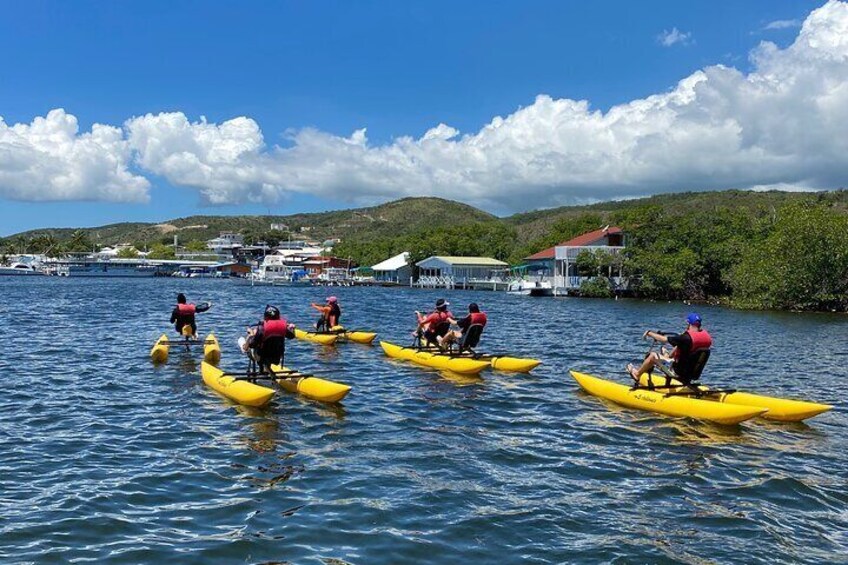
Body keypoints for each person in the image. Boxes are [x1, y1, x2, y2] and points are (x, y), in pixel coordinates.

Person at [628, 313, 713, 385]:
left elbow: (663, 339)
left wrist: (649, 333)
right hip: (692, 372)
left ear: (688, 323)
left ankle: (637, 374)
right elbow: (685, 347)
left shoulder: (685, 338)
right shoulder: (706, 338)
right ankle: (666, 356)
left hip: (679, 371)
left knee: (652, 355)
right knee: (664, 350)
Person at [241, 305, 296, 373]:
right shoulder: (283, 327)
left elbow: (252, 345)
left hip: (262, 357)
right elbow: (291, 336)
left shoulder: (262, 328)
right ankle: (265, 367)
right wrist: (292, 328)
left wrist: (251, 335)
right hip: (276, 358)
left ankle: (260, 367)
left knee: (246, 344)